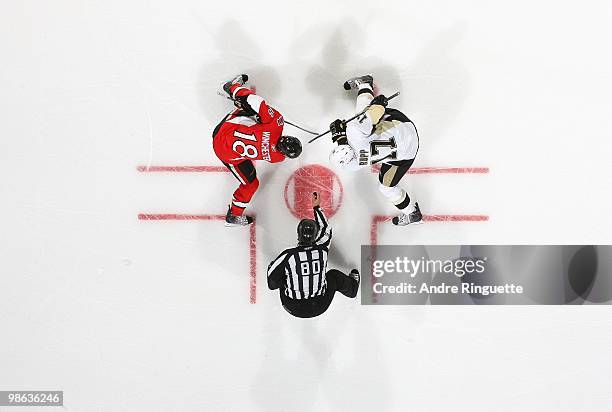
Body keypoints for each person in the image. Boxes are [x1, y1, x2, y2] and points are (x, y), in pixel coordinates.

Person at [328, 75, 423, 226]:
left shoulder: (350, 166)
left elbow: (352, 147)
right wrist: (379, 104)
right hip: (403, 127)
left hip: (406, 154)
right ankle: (365, 85)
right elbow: (373, 113)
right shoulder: (354, 131)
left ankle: (412, 213)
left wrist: (340, 136)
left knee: (386, 188)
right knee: (361, 116)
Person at [213, 74, 302, 226]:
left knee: (253, 108)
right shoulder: (277, 157)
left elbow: (258, 102)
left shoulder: (277, 124)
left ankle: (231, 87)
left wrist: (245, 102)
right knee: (251, 184)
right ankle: (234, 215)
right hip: (225, 153)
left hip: (222, 130)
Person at [267, 192, 360, 318]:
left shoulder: (288, 256)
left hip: (291, 307)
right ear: (316, 235)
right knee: (332, 276)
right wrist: (316, 207)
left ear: (298, 233)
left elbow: (272, 284)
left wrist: (275, 268)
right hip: (320, 306)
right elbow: (326, 228)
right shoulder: (322, 250)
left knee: (280, 274)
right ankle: (352, 288)